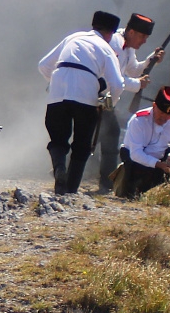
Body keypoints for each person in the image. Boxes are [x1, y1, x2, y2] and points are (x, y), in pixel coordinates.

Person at [38, 11, 143, 194]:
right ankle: (70, 189)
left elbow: (44, 66)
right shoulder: (106, 47)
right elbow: (117, 84)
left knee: (58, 140)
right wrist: (109, 103)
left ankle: (60, 170)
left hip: (57, 93)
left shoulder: (73, 37)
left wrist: (57, 82)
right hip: (85, 96)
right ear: (110, 33)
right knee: (82, 145)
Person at [97, 13, 160, 192]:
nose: (144, 41)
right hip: (98, 97)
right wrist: (138, 84)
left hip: (107, 101)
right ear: (131, 32)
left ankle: (105, 182)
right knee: (102, 136)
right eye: (142, 36)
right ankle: (104, 182)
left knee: (105, 136)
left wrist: (151, 59)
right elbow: (114, 77)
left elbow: (133, 70)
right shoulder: (114, 44)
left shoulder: (128, 47)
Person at [119, 85, 170, 198]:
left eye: (168, 114)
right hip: (137, 163)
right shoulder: (138, 120)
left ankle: (167, 196)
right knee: (131, 190)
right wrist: (159, 164)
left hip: (161, 163)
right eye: (161, 113)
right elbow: (136, 154)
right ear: (154, 106)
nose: (164, 117)